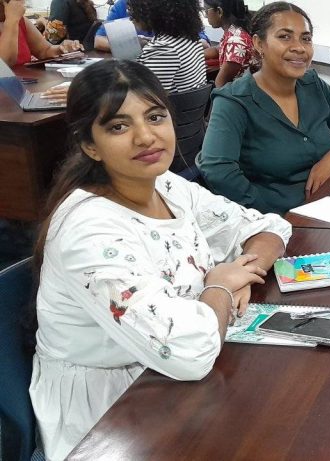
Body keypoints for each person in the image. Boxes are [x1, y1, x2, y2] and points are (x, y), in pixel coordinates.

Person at [27, 59, 291, 461]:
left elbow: (267, 228)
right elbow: (189, 353)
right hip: (111, 408)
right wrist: (220, 286)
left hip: (179, 373)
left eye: (155, 117)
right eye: (119, 127)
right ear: (89, 145)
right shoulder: (90, 233)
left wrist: (245, 272)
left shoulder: (165, 185)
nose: (146, 137)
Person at [199, 1, 330, 215]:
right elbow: (217, 171)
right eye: (284, 37)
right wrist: (270, 216)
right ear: (258, 44)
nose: (299, 47)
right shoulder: (234, 101)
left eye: (306, 38)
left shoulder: (313, 85)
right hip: (278, 220)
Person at [125, 0, 206, 94]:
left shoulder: (164, 49)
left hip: (167, 103)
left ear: (153, 12)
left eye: (135, 11)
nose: (131, 17)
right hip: (191, 102)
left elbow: (142, 94)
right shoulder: (190, 38)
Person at [1, 0, 82, 67]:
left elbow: (44, 51)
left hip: (27, 80)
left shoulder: (21, 21)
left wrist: (62, 49)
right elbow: (4, 65)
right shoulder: (14, 19)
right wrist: (12, 20)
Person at [204, 0, 259, 88]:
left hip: (239, 93)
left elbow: (219, 85)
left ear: (219, 11)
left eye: (206, 11)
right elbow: (217, 49)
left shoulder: (235, 42)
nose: (205, 16)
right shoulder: (234, 31)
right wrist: (194, 54)